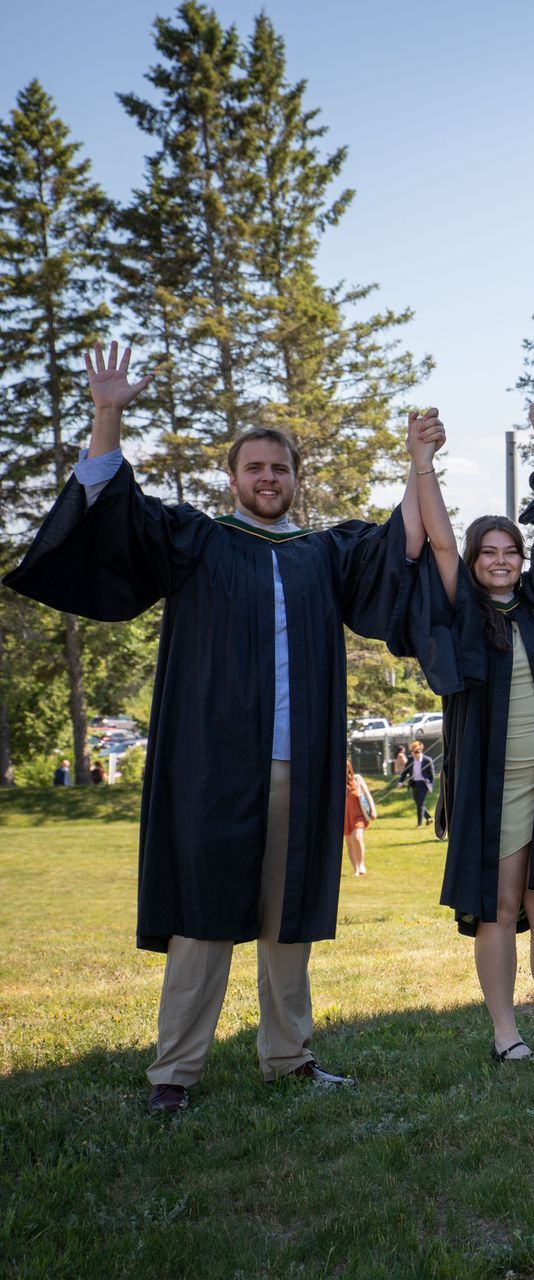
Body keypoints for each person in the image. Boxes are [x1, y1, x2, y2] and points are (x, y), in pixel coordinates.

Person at [2, 341, 416, 1114]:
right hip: (212, 764)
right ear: (234, 478)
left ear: (296, 480)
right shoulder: (197, 541)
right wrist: (106, 416)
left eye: (280, 469)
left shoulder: (320, 553)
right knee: (202, 912)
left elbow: (402, 549)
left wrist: (418, 463)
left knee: (286, 913)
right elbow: (111, 510)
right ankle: (175, 1071)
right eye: (255, 468)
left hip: (302, 760)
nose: (268, 479)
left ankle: (289, 1054)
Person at [394, 399, 534, 1062]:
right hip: (491, 781)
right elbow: (434, 541)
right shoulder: (461, 609)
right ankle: (504, 1033)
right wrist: (422, 463)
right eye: (487, 551)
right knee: (498, 903)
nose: (499, 559)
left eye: (508, 551)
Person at [344, 757, 375, 877]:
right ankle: (355, 868)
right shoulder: (336, 782)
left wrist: (373, 810)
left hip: (358, 814)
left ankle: (361, 864)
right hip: (345, 816)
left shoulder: (357, 779)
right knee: (350, 842)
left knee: (357, 838)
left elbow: (367, 794)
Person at [404, 739, 435, 826]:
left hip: (423, 784)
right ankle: (429, 818)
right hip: (414, 783)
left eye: (417, 751)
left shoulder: (427, 760)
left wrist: (430, 786)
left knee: (420, 803)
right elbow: (405, 771)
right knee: (418, 803)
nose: (415, 753)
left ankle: (419, 824)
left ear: (420, 750)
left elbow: (432, 775)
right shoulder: (410, 760)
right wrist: (400, 781)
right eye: (414, 751)